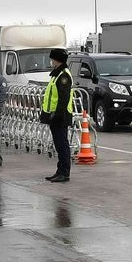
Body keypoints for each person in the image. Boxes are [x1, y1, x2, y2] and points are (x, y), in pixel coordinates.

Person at [40, 49, 75, 183]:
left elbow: (63, 98)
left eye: (52, 59)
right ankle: (59, 171)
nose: (51, 61)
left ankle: (64, 173)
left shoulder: (63, 76)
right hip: (54, 115)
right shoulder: (57, 74)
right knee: (58, 144)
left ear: (57, 60)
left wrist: (57, 115)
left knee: (62, 145)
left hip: (60, 116)